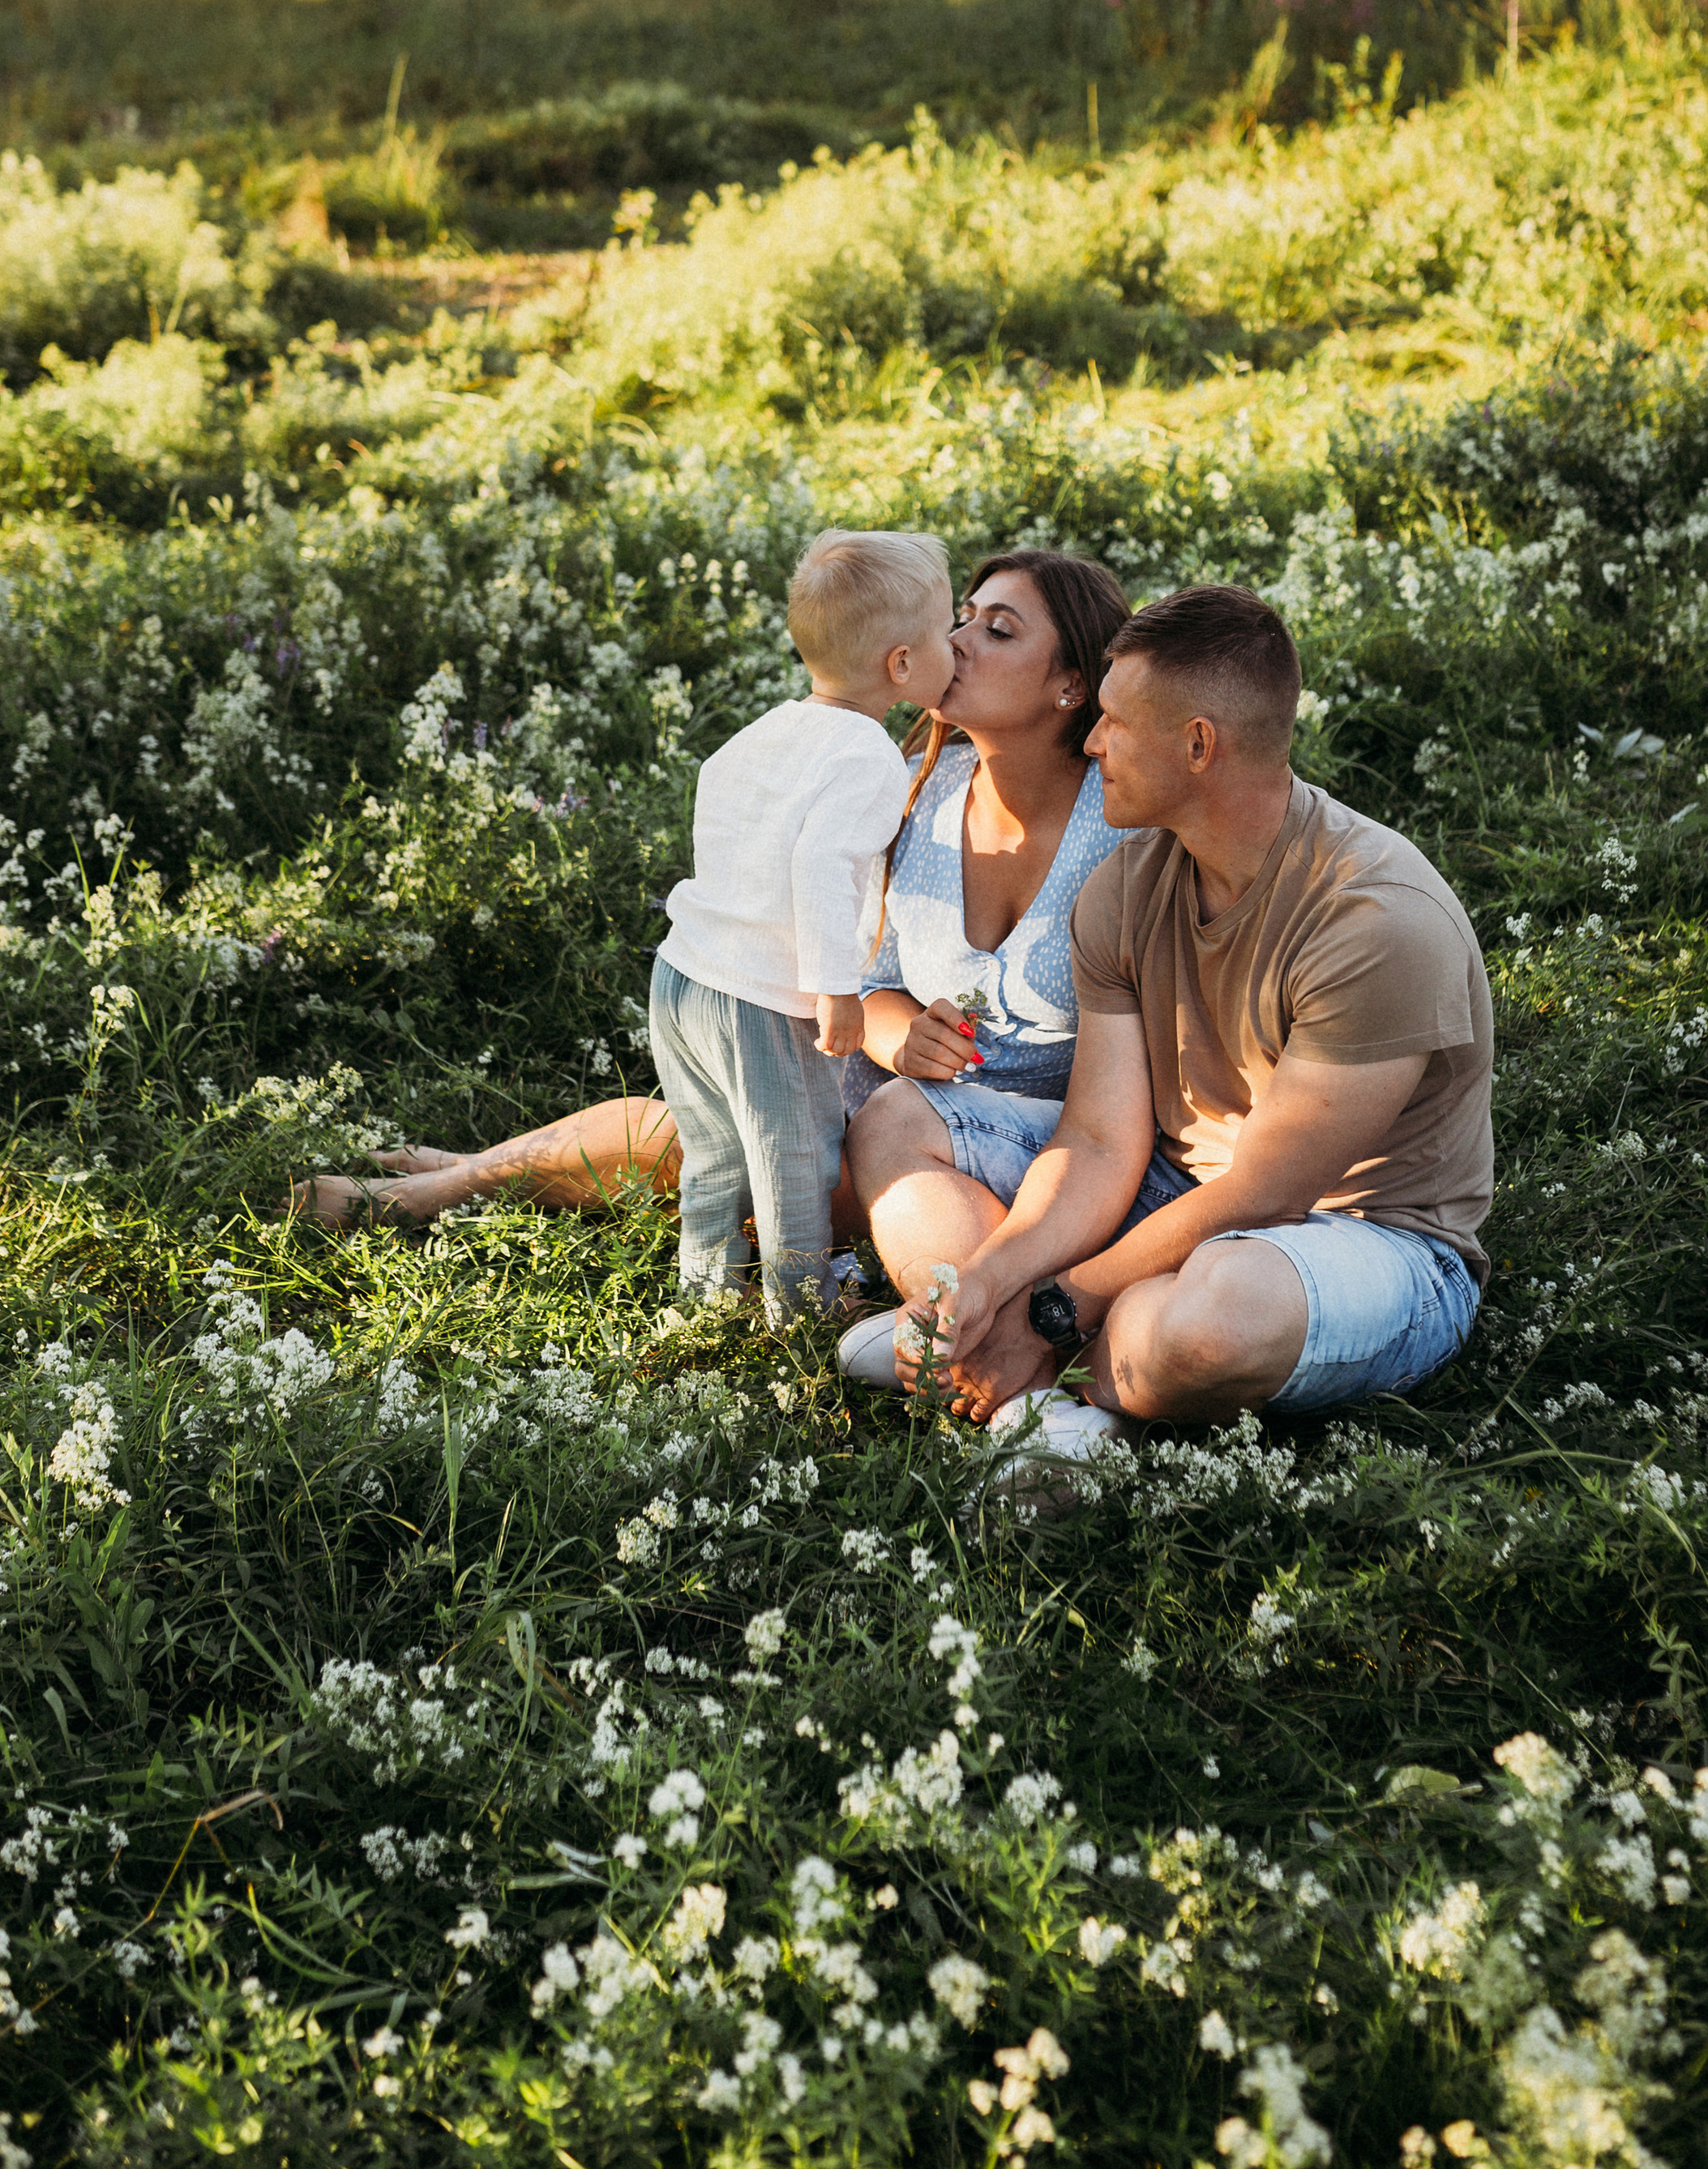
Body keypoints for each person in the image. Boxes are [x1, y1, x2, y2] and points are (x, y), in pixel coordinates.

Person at [290, 548, 1132, 1254]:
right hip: (873, 1104)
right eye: (963, 618)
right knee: (711, 1151)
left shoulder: (1124, 827)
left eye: (998, 629)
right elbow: (861, 972)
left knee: (717, 1161)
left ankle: (455, 1175)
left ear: (1069, 686)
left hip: (1020, 1149)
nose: (956, 641)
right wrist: (903, 1036)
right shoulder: (913, 784)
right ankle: (449, 1181)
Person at [840, 584, 1493, 1479]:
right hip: (1169, 1183)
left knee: (1209, 1320)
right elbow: (1102, 1140)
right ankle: (1014, 1369)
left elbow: (1266, 1191)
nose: (1093, 742)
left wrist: (1057, 1305)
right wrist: (990, 1280)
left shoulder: (1376, 919)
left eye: (1113, 722)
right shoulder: (1130, 881)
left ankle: (1039, 1368)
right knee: (897, 1120)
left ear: (1197, 745)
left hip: (1363, 1236)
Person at [646, 526, 953, 1320]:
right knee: (796, 1157)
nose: (956, 642)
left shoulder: (768, 731)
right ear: (901, 666)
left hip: (683, 973)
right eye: (945, 629)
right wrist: (835, 989)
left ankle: (707, 1294)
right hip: (761, 1000)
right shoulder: (867, 758)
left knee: (713, 1152)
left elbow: (718, 796)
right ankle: (804, 1309)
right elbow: (821, 867)